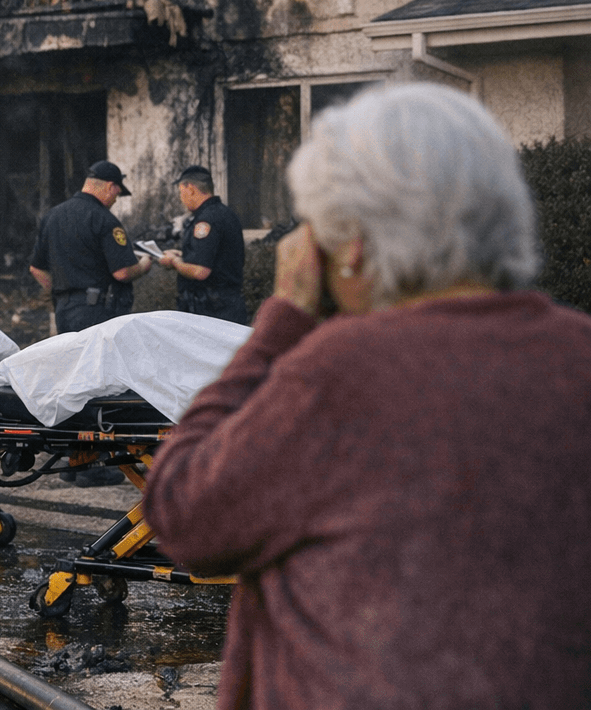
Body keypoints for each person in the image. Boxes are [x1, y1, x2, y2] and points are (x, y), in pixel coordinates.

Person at [144, 83, 591, 709]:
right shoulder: (577, 353)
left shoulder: (341, 372)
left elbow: (185, 515)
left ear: (351, 243)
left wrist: (283, 320)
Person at [29, 160, 153, 334]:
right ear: (111, 186)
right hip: (97, 313)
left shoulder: (52, 216)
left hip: (63, 313)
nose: (115, 200)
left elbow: (36, 269)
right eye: (117, 194)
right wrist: (143, 265)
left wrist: (64, 296)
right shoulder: (104, 219)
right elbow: (122, 272)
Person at [158, 165, 247, 323]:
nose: (181, 198)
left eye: (181, 192)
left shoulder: (206, 220)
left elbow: (200, 271)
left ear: (191, 189)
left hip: (212, 310)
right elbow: (216, 256)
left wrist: (174, 261)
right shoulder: (225, 213)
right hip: (225, 306)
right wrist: (183, 255)